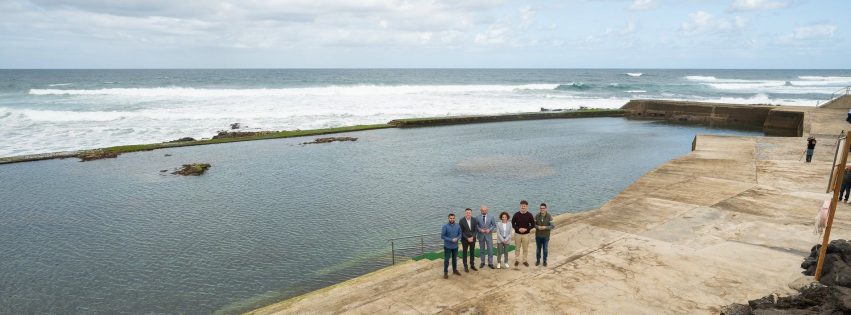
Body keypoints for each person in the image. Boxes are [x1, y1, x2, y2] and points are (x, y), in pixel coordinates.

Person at [511, 200, 535, 267]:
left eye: (524, 206)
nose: (523, 207)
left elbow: (532, 225)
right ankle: (517, 260)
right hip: (517, 234)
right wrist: (518, 229)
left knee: (525, 248)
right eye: (522, 206)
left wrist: (526, 229)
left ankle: (524, 260)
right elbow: (513, 224)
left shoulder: (529, 215)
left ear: (527, 206)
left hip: (526, 234)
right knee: (517, 248)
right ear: (520, 206)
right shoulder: (516, 214)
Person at [441, 213, 462, 279]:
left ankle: (455, 270)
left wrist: (457, 238)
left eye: (453, 218)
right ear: (448, 218)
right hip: (447, 246)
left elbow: (460, 234)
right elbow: (442, 236)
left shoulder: (458, 226)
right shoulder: (445, 226)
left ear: (454, 218)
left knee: (454, 259)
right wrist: (451, 239)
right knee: (446, 260)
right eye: (451, 218)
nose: (452, 219)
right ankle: (445, 272)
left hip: (455, 246)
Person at [477, 205, 497, 269]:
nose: (484, 211)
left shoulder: (491, 217)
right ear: (480, 211)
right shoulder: (477, 217)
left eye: (485, 210)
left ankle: (490, 263)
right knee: (482, 250)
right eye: (482, 210)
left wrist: (489, 229)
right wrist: (480, 230)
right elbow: (476, 226)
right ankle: (482, 262)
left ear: (487, 210)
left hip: (489, 236)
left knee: (490, 250)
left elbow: (494, 225)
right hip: (481, 236)